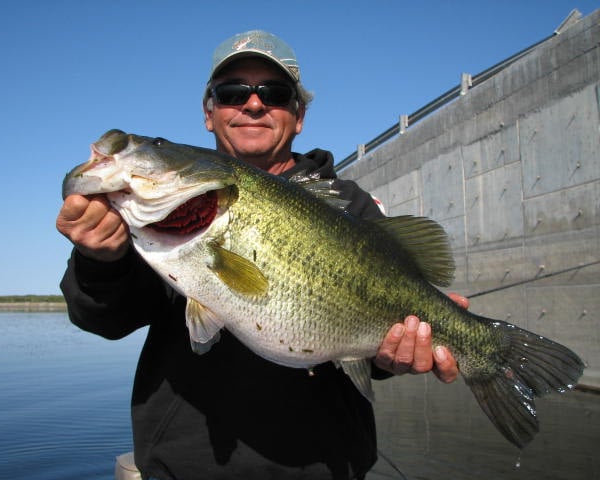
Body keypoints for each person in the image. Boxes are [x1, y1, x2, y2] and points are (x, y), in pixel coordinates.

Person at [57, 30, 466, 480]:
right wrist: (100, 260)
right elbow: (106, 321)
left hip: (324, 468)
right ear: (209, 114)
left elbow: (372, 347)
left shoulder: (353, 207)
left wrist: (397, 356)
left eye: (274, 93)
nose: (253, 105)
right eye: (232, 93)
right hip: (186, 467)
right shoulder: (162, 215)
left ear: (299, 116)